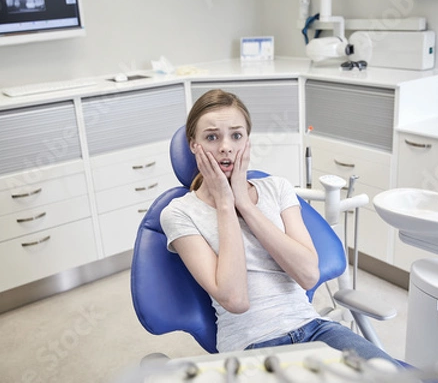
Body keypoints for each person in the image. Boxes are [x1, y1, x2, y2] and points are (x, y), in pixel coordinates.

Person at [160, 89, 399, 364]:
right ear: (193, 145)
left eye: (236, 135)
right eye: (212, 137)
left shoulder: (277, 188)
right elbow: (235, 300)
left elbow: (308, 275)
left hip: (316, 330)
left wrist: (246, 206)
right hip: (251, 346)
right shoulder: (179, 213)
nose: (226, 146)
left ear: (247, 141)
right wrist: (226, 204)